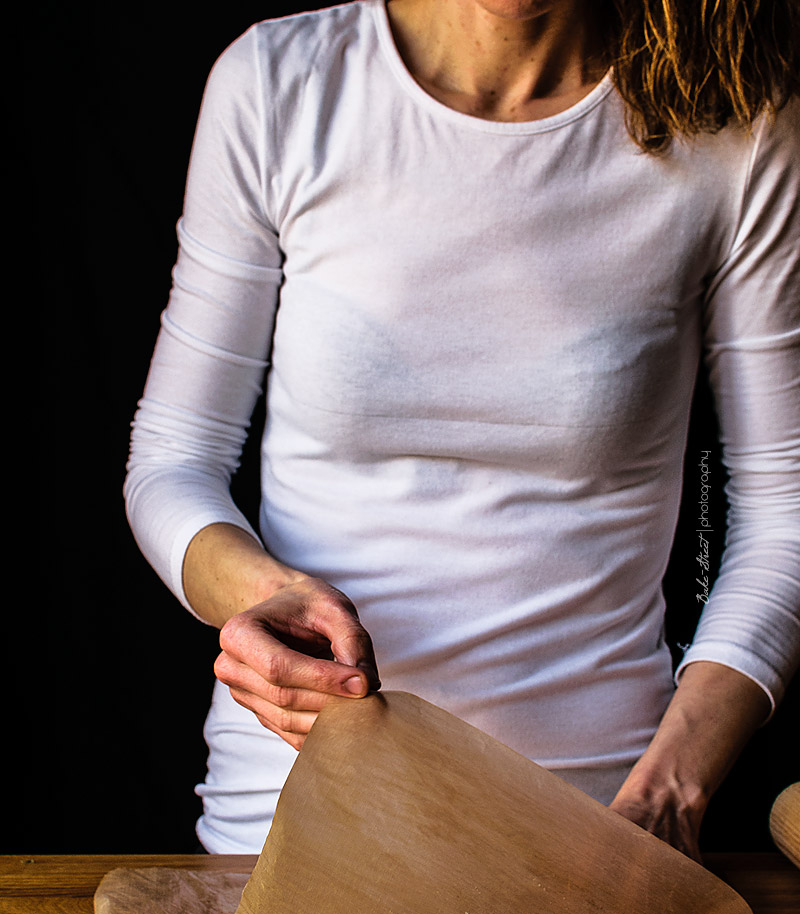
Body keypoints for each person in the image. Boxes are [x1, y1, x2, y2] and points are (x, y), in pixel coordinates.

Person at [125, 0, 800, 860]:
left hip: (596, 828)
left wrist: (677, 780)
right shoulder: (279, 82)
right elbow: (172, 458)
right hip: (293, 807)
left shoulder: (731, 117)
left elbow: (785, 507)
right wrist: (255, 597)